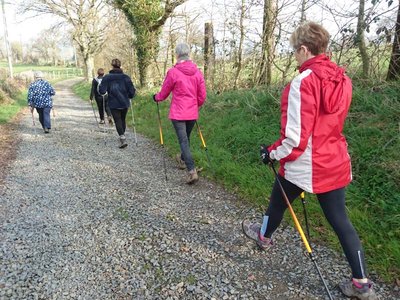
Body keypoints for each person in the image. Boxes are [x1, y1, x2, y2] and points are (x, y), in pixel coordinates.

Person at [242, 22, 377, 300]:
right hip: (336, 161)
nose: (294, 56)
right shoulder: (343, 79)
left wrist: (270, 153)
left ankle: (263, 237)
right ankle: (362, 284)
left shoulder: (303, 82)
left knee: (277, 202)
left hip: (305, 166)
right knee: (341, 221)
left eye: (294, 51)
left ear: (304, 49)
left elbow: (294, 140)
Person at [153, 43, 206, 184]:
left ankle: (191, 171)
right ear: (189, 54)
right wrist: (196, 105)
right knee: (186, 140)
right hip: (192, 112)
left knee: (183, 141)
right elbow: (202, 96)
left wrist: (156, 97)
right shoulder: (198, 72)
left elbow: (163, 93)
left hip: (178, 113)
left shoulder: (173, 72)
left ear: (177, 55)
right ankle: (182, 159)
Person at [98, 59, 135, 148]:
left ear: (112, 66)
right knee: (122, 119)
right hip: (124, 102)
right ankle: (122, 136)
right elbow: (132, 92)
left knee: (118, 120)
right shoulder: (126, 77)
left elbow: (102, 91)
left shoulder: (107, 77)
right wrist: (130, 95)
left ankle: (122, 137)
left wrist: (101, 88)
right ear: (120, 65)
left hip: (113, 102)